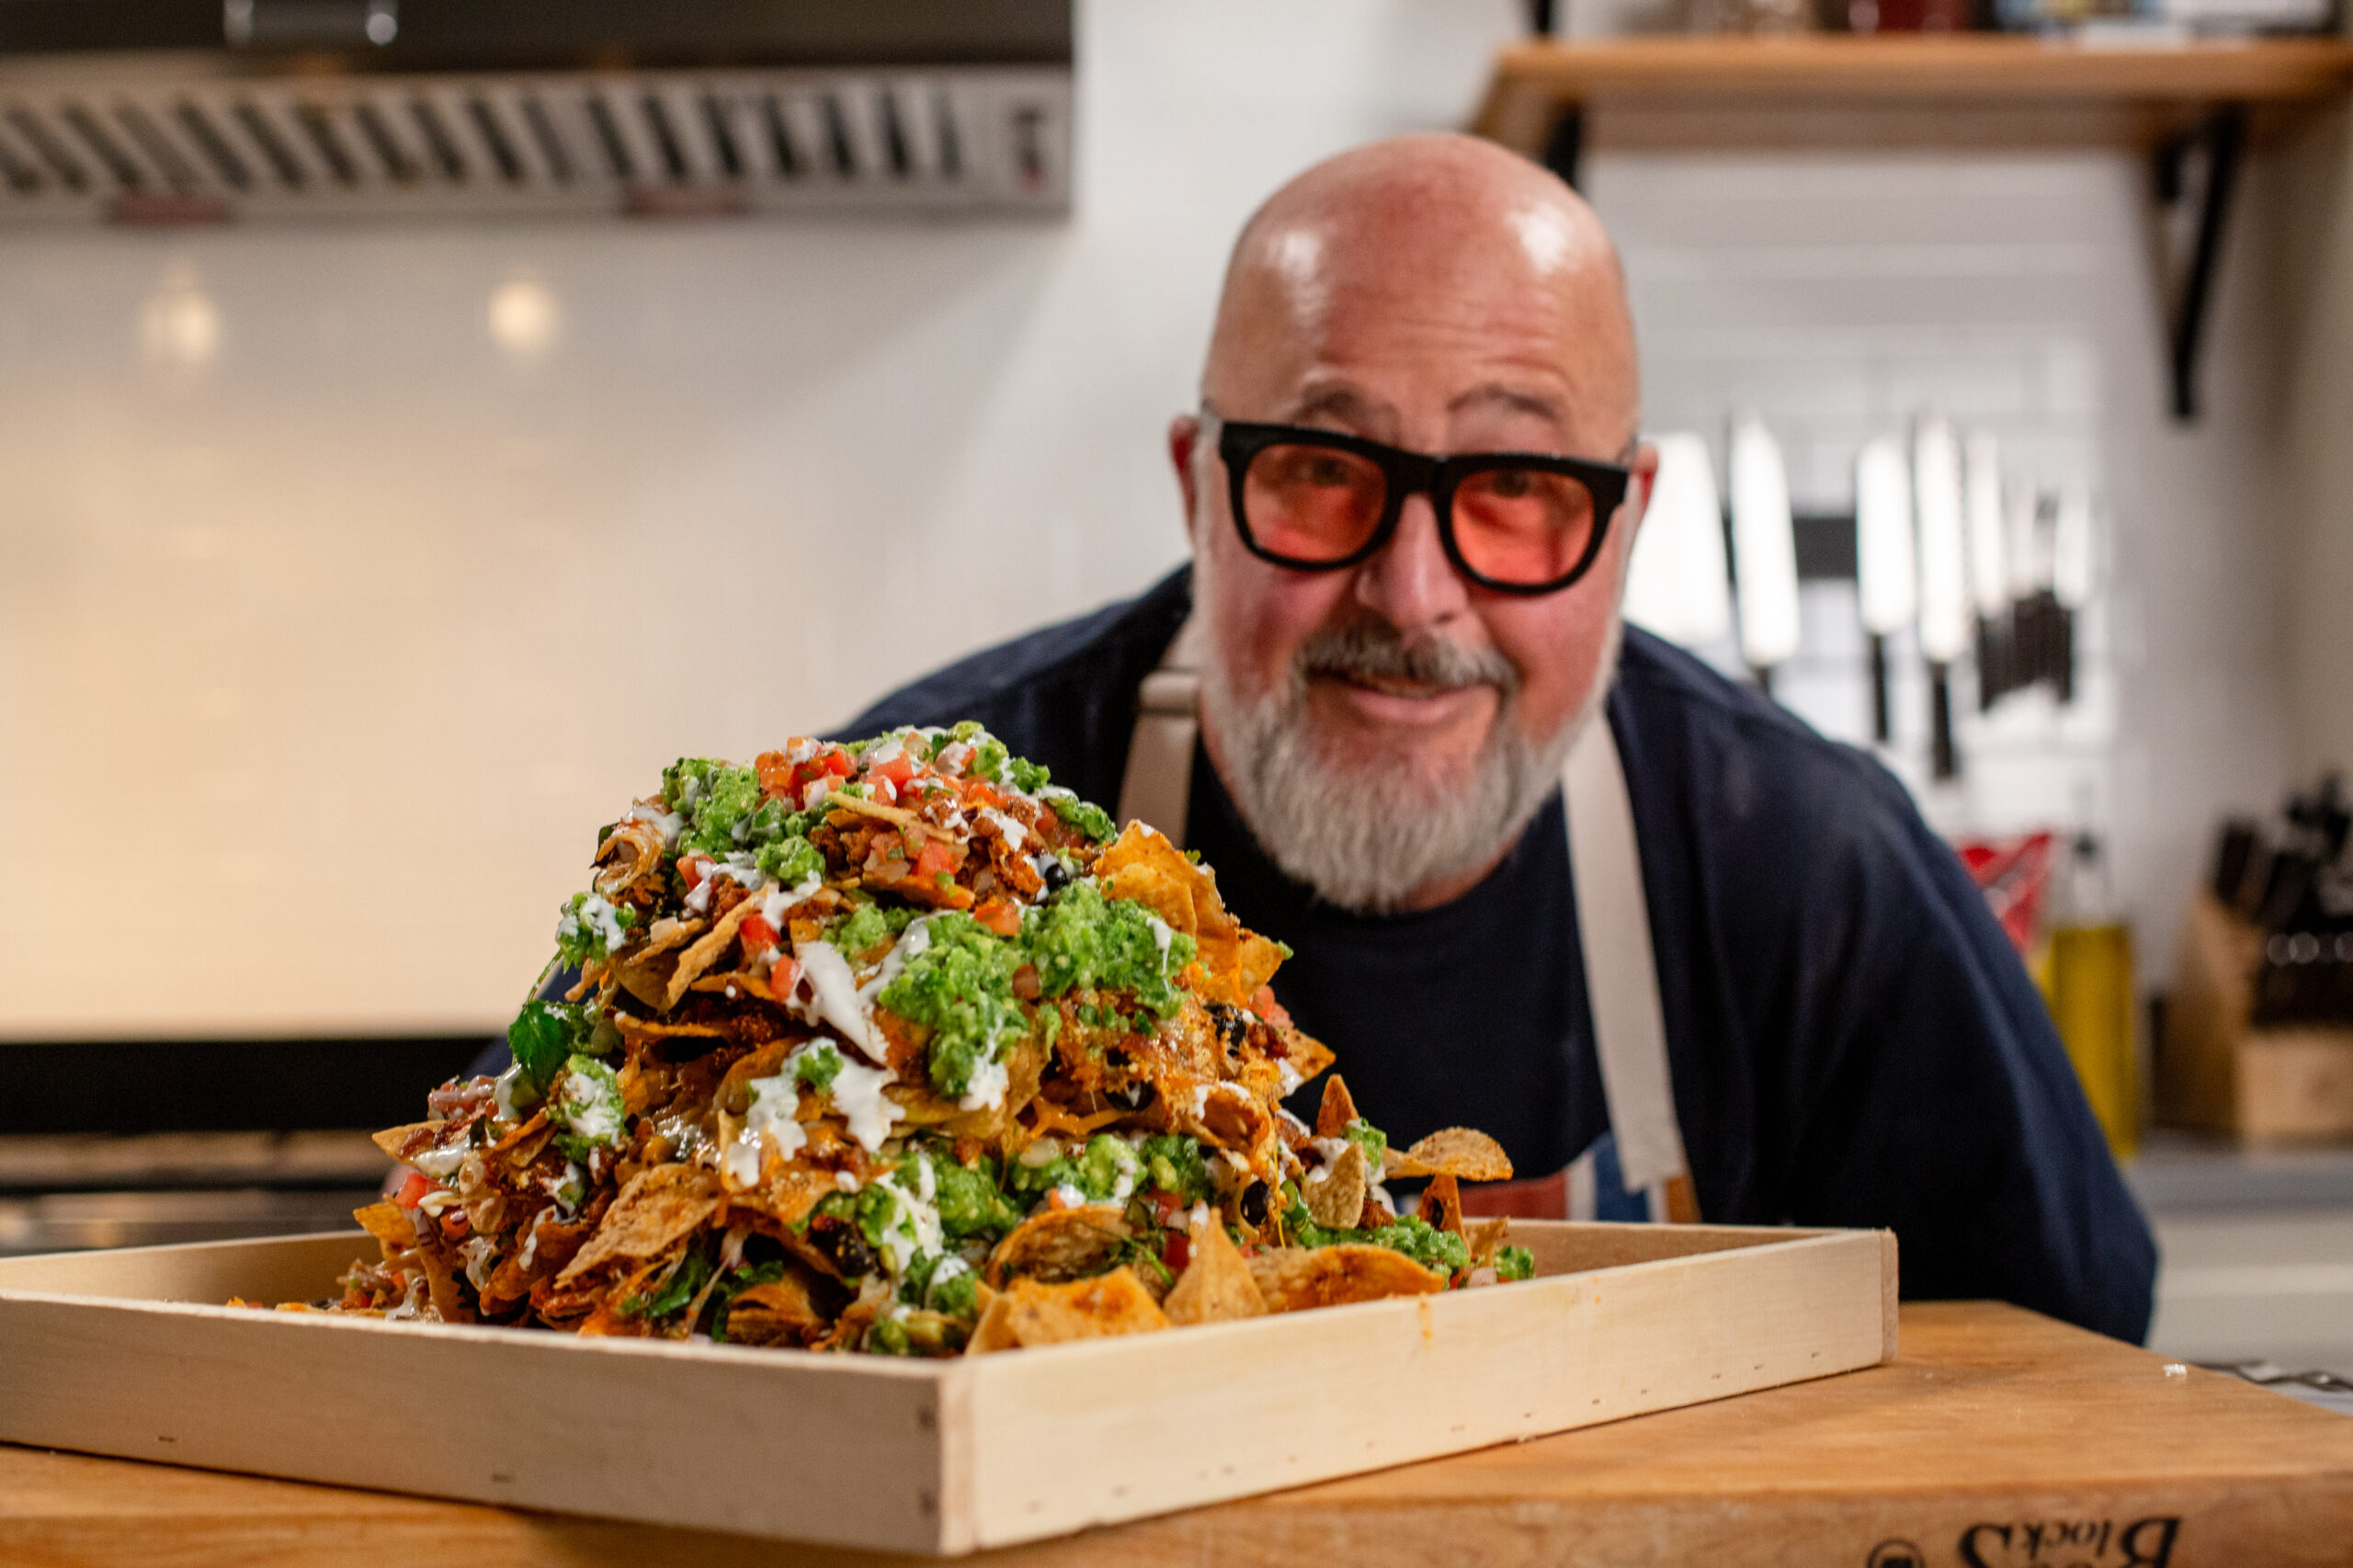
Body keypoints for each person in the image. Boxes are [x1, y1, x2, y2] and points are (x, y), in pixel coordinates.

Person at [844, 133, 2157, 1342]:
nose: (1412, 595)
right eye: (1321, 467)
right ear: (1199, 488)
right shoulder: (898, 847)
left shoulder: (1818, 877)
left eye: (1517, 484)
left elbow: (2056, 1386)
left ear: (1626, 522)